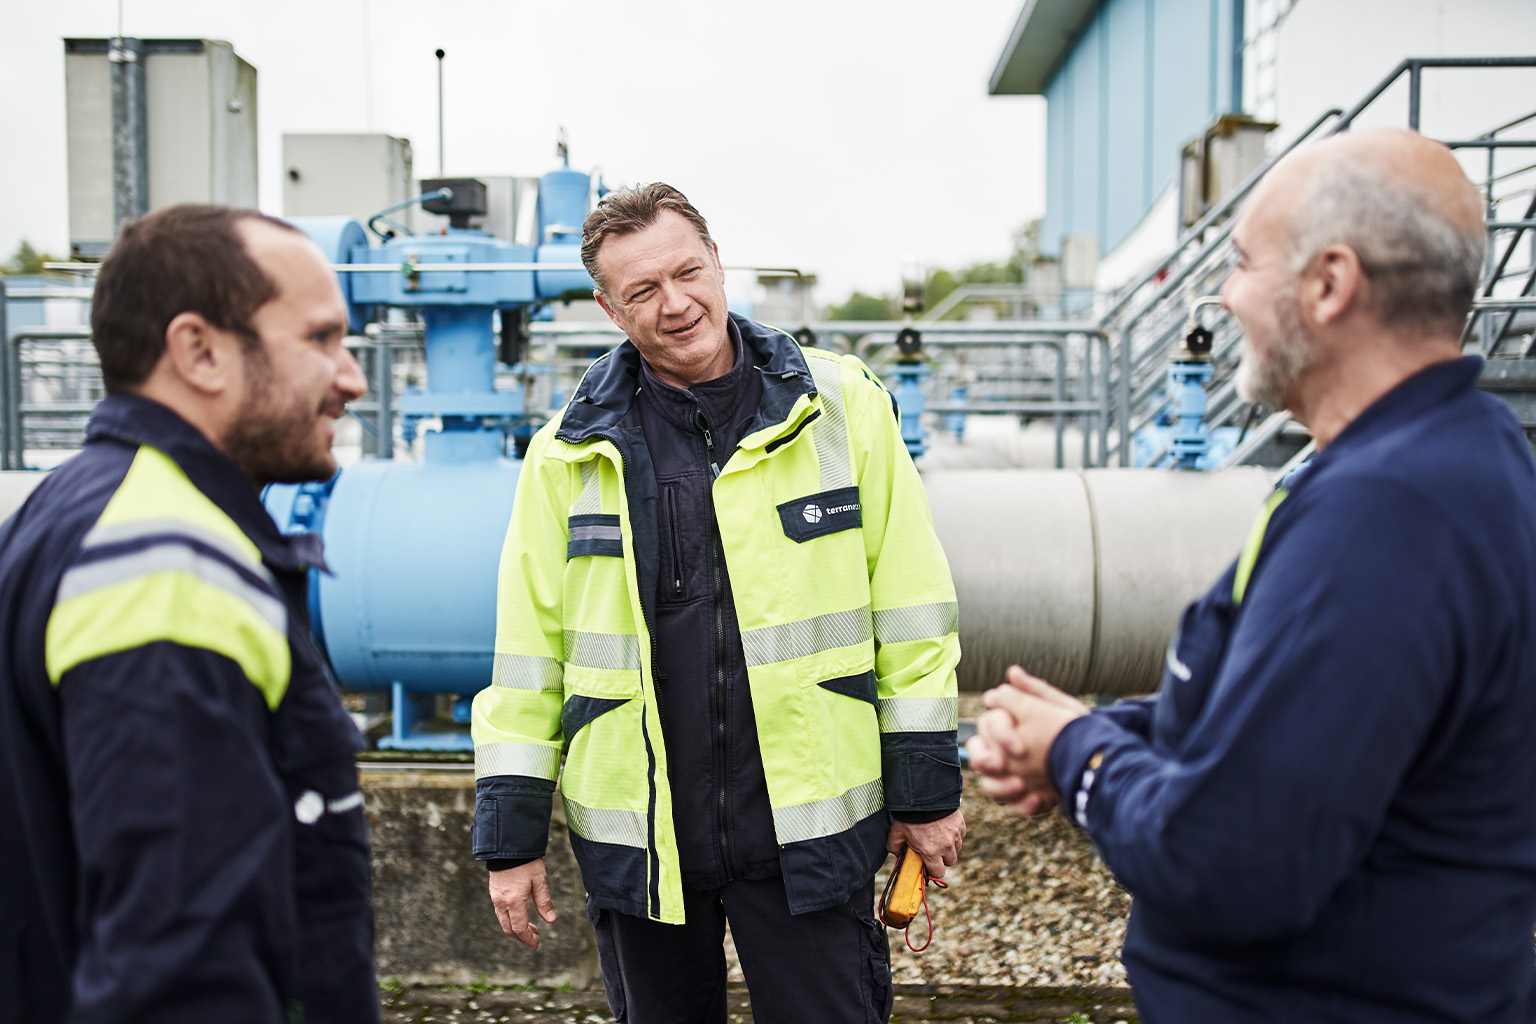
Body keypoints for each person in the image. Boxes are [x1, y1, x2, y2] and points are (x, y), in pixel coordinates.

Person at [968, 127, 1536, 1023]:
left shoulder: (1387, 516)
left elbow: (1233, 862)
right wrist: (1097, 727)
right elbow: (1286, 715)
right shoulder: (1459, 450)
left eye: (1241, 263)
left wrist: (1079, 757)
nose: (1225, 297)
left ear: (1328, 284)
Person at [471, 183, 966, 1023]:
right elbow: (529, 658)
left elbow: (914, 614)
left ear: (717, 262)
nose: (676, 305)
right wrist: (510, 843)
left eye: (686, 272)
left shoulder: (842, 407)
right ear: (606, 308)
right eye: (642, 292)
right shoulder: (567, 454)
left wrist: (926, 792)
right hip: (645, 842)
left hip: (807, 831)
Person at [0, 204, 378, 1023]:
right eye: (319, 340)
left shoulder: (68, 508)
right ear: (199, 351)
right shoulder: (165, 566)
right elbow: (180, 970)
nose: (352, 378)